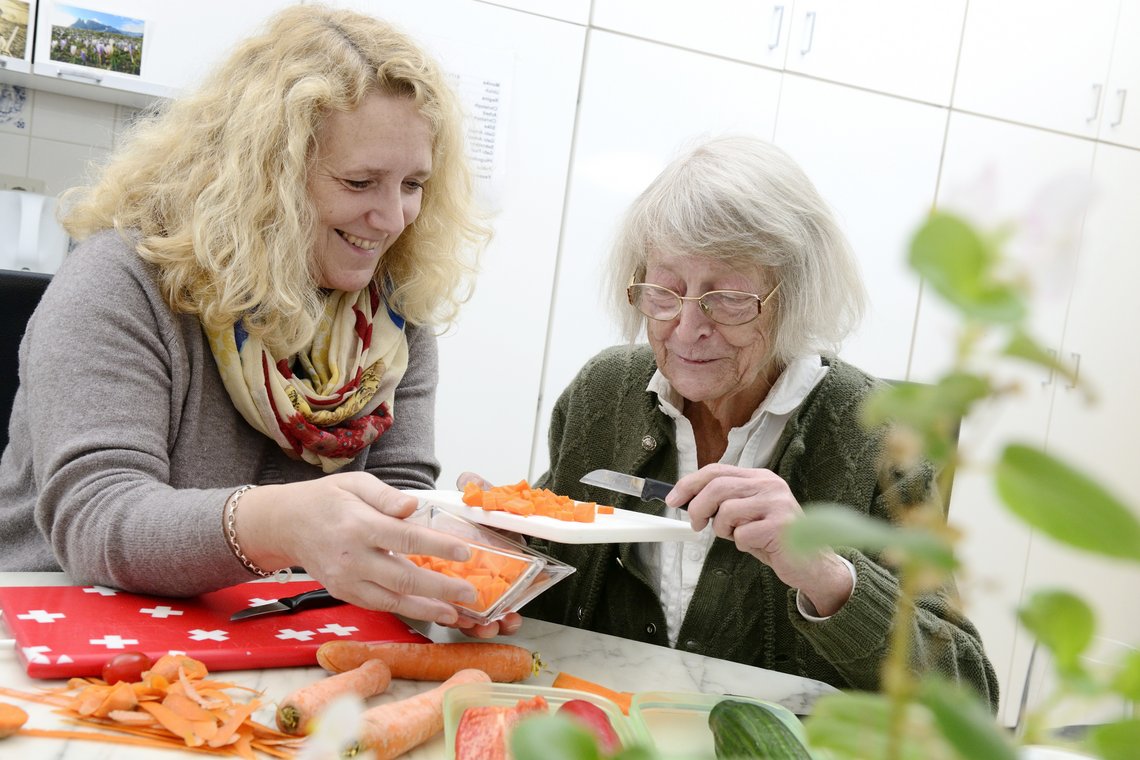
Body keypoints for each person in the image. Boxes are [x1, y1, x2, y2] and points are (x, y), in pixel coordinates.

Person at [0, 4, 495, 627]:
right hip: (53, 644)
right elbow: (98, 522)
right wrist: (281, 523)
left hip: (269, 640)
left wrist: (457, 554)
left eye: (413, 184)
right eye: (360, 181)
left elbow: (399, 503)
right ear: (267, 176)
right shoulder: (120, 282)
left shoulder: (391, 325)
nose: (394, 218)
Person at [468, 135, 999, 710]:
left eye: (727, 299)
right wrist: (502, 559)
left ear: (792, 297)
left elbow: (968, 695)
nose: (687, 328)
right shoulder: (605, 394)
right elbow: (550, 615)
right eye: (664, 293)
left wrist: (825, 576)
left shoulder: (881, 438)